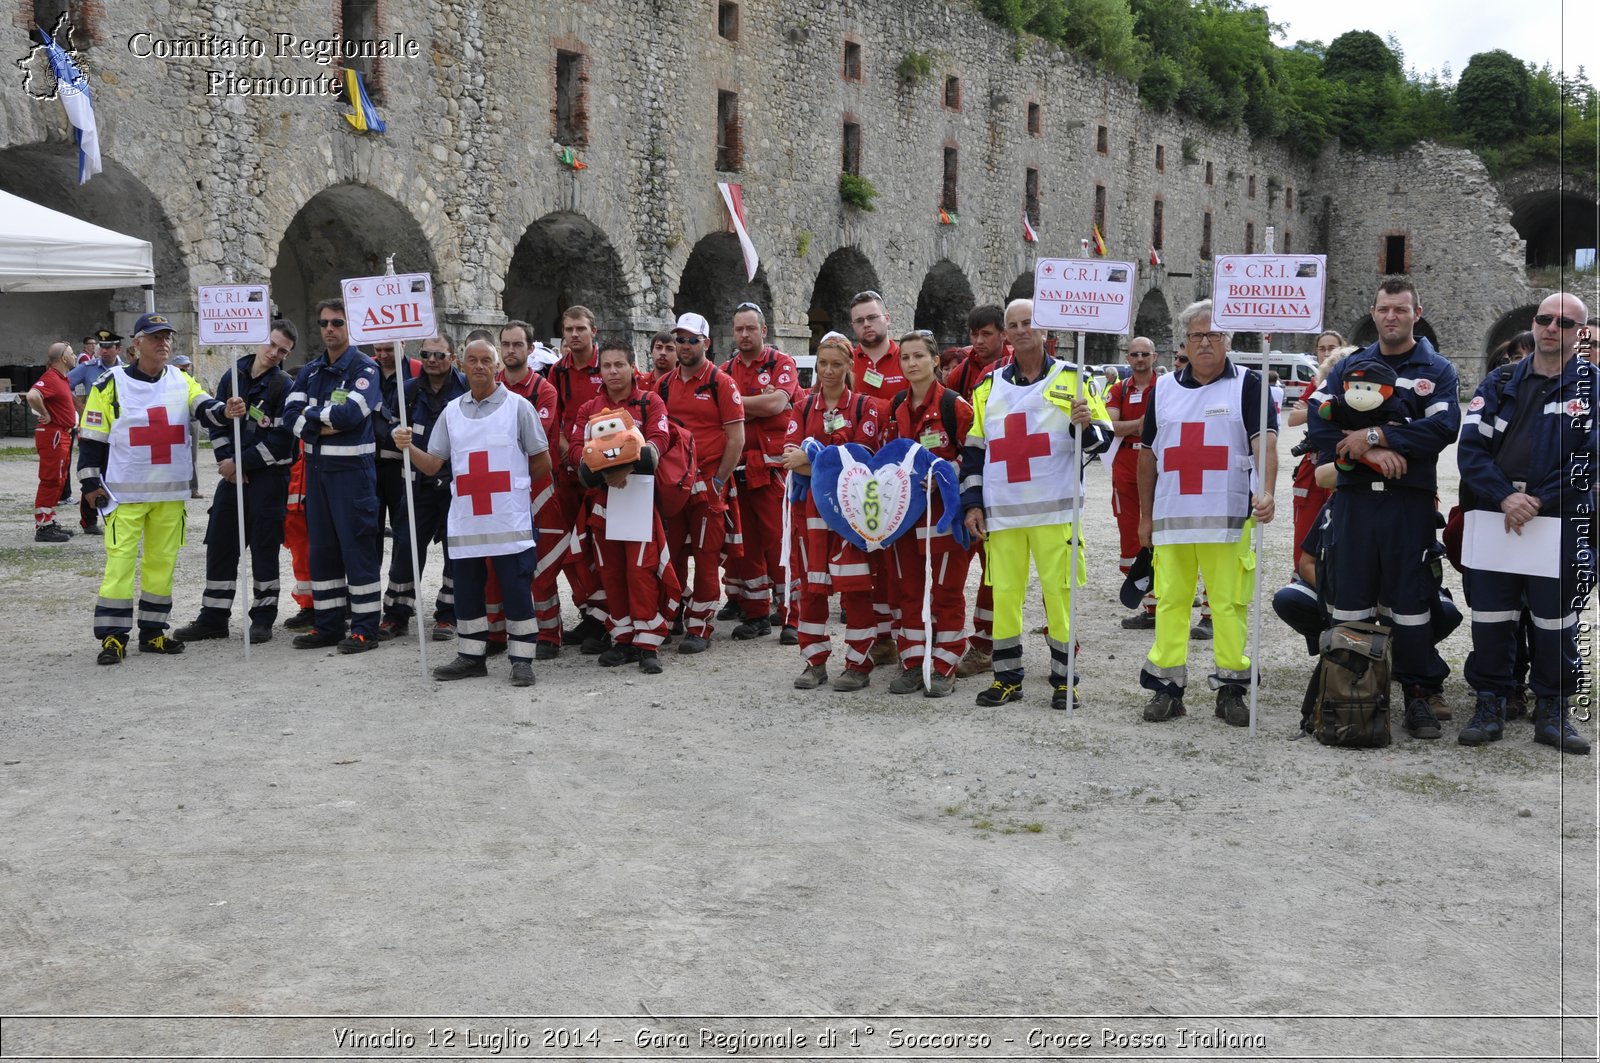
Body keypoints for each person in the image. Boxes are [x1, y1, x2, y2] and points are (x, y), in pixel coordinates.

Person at [1307, 277, 1461, 738]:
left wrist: (1375, 434)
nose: (1391, 316)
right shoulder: (1351, 366)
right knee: (1348, 601)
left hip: (1407, 505)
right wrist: (1369, 452)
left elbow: (1442, 429)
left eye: (1400, 309)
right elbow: (1319, 423)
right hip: (1354, 503)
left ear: (1417, 312)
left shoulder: (1436, 369)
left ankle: (1418, 693)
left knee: (1409, 604)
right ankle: (1346, 692)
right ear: (1373, 313)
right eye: (1384, 309)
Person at [1455, 292, 1595, 754]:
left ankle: (1553, 709)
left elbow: (1588, 459)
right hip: (1498, 517)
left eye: (1565, 322)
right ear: (1534, 324)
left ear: (1581, 332)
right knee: (1492, 616)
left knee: (1556, 619)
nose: (1552, 327)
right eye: (1544, 319)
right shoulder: (1499, 381)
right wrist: (1506, 496)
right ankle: (1491, 702)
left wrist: (1536, 499)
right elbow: (1470, 451)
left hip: (1558, 520)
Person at [960, 298, 1112, 710]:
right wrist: (972, 504)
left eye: (1030, 322)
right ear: (1005, 334)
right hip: (1003, 513)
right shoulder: (988, 387)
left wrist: (1087, 424)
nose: (1022, 329)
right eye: (1014, 324)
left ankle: (1065, 681)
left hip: (1054, 512)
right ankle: (1007, 678)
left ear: (1046, 330)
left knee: (1060, 598)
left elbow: (1104, 438)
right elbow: (975, 451)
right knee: (1004, 595)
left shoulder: (1074, 378)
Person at [1137, 300, 1277, 726]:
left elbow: (1264, 443)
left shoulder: (1250, 385)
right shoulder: (1162, 390)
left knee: (1228, 604)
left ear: (1228, 341)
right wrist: (1144, 517)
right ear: (1185, 341)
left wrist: (1266, 490)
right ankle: (1168, 689)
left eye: (1213, 335)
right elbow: (1147, 457)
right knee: (1171, 603)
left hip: (1228, 516)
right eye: (1196, 335)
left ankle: (1231, 690)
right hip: (1173, 516)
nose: (1204, 342)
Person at [77, 312, 246, 664]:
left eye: (167, 336)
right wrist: (91, 482)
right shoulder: (110, 384)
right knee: (119, 564)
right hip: (124, 495)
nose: (163, 342)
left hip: (169, 497)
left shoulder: (181, 381)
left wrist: (226, 409)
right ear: (137, 344)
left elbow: (205, 407)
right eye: (155, 337)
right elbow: (92, 438)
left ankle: (153, 633)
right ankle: (112, 637)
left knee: (161, 564)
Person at [393, 339, 551, 686]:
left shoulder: (518, 407)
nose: (479, 366)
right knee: (466, 591)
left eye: (486, 360)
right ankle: (471, 655)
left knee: (515, 590)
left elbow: (542, 461)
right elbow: (434, 464)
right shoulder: (451, 413)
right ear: (461, 366)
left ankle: (522, 659)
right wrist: (409, 449)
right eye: (472, 360)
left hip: (509, 520)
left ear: (497, 367)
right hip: (467, 521)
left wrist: (514, 487)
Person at [174, 322, 298, 642]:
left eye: (282, 350)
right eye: (271, 344)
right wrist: (227, 463)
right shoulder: (233, 374)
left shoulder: (284, 386)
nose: (273, 353)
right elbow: (217, 422)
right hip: (231, 477)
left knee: (264, 548)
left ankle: (263, 618)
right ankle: (213, 618)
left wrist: (241, 463)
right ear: (260, 341)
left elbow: (284, 443)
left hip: (269, 479)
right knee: (220, 543)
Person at [567, 338, 681, 673]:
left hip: (641, 500)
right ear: (599, 370)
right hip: (603, 502)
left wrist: (624, 465)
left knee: (641, 570)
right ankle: (622, 638)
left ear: (633, 367)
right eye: (607, 365)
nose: (613, 371)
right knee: (611, 572)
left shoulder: (650, 402)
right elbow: (576, 450)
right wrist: (606, 471)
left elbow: (659, 442)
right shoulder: (589, 409)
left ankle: (648, 643)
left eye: (619, 364)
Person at [281, 298, 384, 653]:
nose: (329, 329)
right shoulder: (310, 371)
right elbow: (289, 416)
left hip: (353, 477)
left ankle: (366, 629)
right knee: (321, 551)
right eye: (324, 322)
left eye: (337, 323)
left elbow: (350, 415)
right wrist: (320, 422)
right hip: (318, 476)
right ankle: (327, 625)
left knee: (357, 551)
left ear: (350, 328)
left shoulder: (365, 369)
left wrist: (312, 418)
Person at [782, 335, 886, 690]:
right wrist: (827, 460)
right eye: (822, 363)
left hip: (850, 514)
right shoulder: (803, 406)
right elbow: (791, 458)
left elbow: (865, 460)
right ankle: (814, 662)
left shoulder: (864, 406)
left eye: (836, 364)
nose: (828, 371)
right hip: (808, 513)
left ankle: (859, 664)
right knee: (811, 589)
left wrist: (813, 459)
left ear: (849, 367)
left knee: (856, 587)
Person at [886, 331, 975, 698]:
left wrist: (943, 475)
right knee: (908, 591)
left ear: (936, 360)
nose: (911, 363)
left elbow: (973, 459)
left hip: (943, 518)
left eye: (919, 356)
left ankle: (944, 664)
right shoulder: (896, 406)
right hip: (906, 520)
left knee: (946, 593)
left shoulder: (957, 407)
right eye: (905, 357)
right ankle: (912, 661)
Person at [658, 311, 745, 653]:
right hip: (675, 486)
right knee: (672, 553)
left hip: (708, 486)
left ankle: (701, 628)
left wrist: (719, 482)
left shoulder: (721, 383)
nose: (684, 346)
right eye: (679, 339)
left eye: (692, 340)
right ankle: (672, 616)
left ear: (706, 343)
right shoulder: (664, 384)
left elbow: (736, 439)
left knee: (707, 558)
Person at [376, 333, 468, 642]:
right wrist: (395, 434)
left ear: (452, 358)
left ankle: (448, 615)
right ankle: (396, 613)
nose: (431, 360)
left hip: (456, 485)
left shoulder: (466, 389)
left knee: (456, 553)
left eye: (439, 355)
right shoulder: (408, 391)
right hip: (417, 485)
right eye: (426, 354)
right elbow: (387, 423)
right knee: (406, 549)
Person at [722, 302, 801, 640]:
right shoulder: (725, 369)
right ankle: (756, 614)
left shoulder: (782, 363)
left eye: (750, 328)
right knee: (746, 545)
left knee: (779, 542)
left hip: (772, 472)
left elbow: (777, 404)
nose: (743, 334)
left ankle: (792, 615)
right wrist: (755, 403)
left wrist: (738, 404)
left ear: (763, 330)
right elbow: (720, 412)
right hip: (738, 470)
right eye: (739, 329)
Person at [945, 304, 1012, 679]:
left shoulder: (1017, 369)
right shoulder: (962, 370)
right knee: (980, 563)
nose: (977, 341)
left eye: (986, 333)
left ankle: (990, 642)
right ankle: (982, 640)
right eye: (973, 334)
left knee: (1000, 566)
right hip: (971, 477)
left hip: (1006, 479)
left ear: (1003, 335)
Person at [498, 319, 565, 659]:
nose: (510, 351)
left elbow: (532, 438)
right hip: (497, 486)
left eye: (517, 345)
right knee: (495, 561)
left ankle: (550, 632)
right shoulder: (489, 385)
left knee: (539, 564)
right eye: (506, 344)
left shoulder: (544, 390)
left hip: (536, 486)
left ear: (530, 349)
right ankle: (498, 631)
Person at [847, 290, 908, 664]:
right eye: (859, 320)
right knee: (868, 562)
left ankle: (908, 636)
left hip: (899, 473)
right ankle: (881, 638)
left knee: (900, 563)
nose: (867, 325)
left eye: (872, 317)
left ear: (887, 317)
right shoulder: (844, 360)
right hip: (858, 476)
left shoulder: (909, 356)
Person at [543, 305, 608, 650]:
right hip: (570, 472)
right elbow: (555, 423)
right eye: (568, 329)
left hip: (606, 474)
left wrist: (596, 461)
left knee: (603, 547)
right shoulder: (557, 372)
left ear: (593, 332)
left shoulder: (610, 366)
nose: (574, 335)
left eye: (580, 328)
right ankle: (590, 614)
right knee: (573, 548)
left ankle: (610, 616)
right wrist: (575, 455)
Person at [1105, 336, 1158, 627]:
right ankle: (1151, 603)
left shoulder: (1165, 387)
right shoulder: (1118, 389)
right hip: (1124, 468)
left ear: (1155, 357)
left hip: (1156, 466)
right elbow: (1110, 425)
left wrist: (1131, 428)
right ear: (1127, 358)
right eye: (1134, 354)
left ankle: (1158, 606)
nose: (1139, 359)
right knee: (1129, 540)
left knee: (1159, 536)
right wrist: (1140, 425)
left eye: (1145, 354)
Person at [68, 331, 125, 536]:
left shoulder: (126, 370)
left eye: (109, 347)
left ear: (118, 349)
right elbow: (65, 385)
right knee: (91, 472)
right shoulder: (88, 368)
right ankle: (89, 521)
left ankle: (114, 513)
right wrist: (80, 407)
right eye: (102, 346)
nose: (104, 350)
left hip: (117, 429)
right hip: (93, 428)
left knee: (115, 471)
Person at [27, 342, 77, 542]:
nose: (76, 356)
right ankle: (43, 526)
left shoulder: (61, 378)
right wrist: (45, 413)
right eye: (72, 353)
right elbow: (32, 395)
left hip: (61, 433)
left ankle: (49, 518)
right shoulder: (51, 378)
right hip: (53, 434)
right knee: (51, 479)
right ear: (63, 358)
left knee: (59, 478)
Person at [171, 354, 202, 498]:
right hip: (175, 422)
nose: (186, 368)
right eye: (182, 365)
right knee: (175, 455)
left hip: (191, 421)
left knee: (193, 457)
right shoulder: (168, 381)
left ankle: (193, 488)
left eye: (187, 365)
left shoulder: (191, 380)